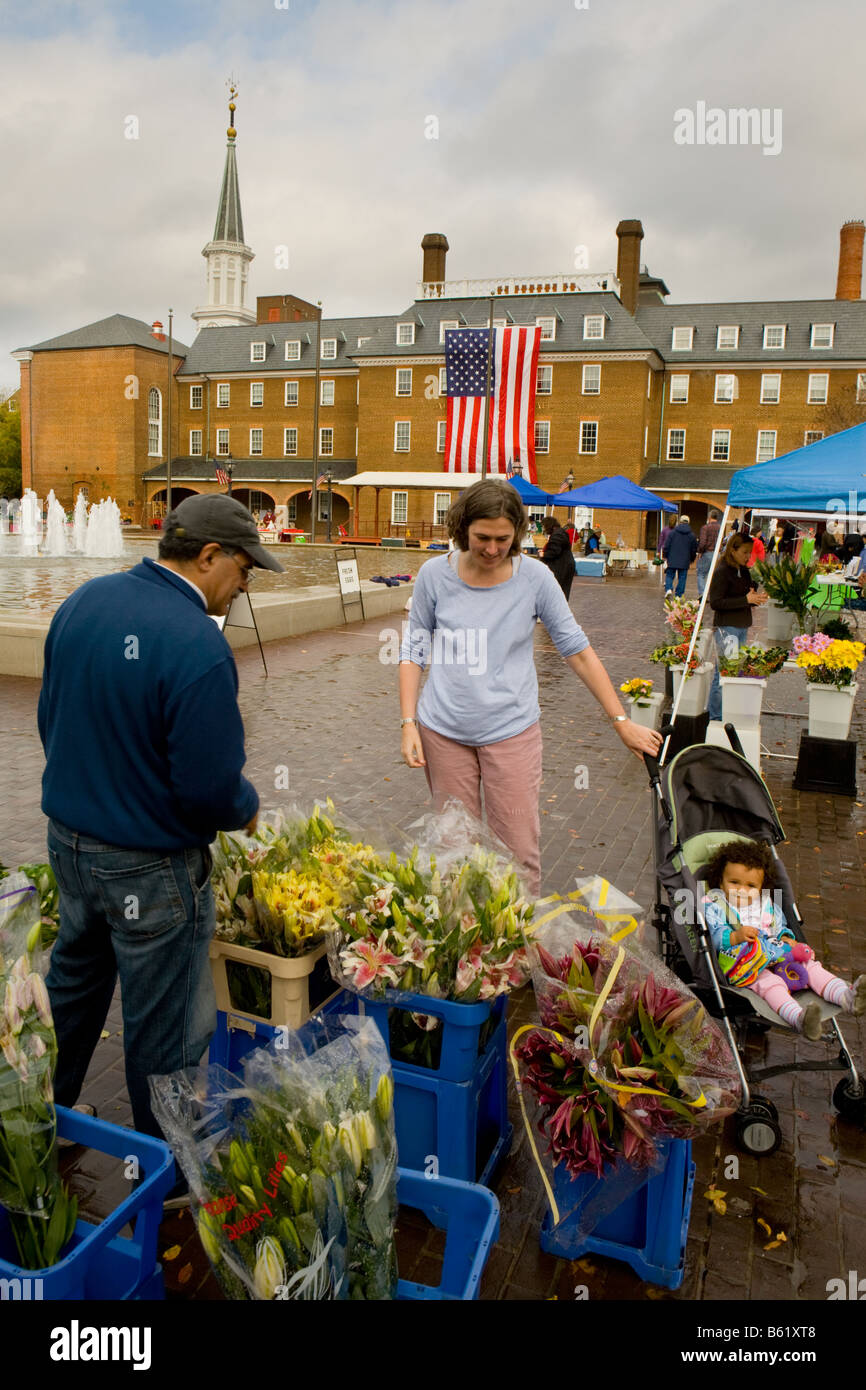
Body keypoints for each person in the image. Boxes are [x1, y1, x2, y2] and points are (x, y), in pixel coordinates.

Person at [38, 494, 282, 1154]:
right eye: (243, 569)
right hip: (149, 864)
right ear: (209, 557)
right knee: (166, 1024)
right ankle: (170, 1171)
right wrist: (247, 804)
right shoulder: (196, 641)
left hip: (70, 843)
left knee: (72, 988)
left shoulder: (85, 601)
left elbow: (52, 720)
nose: (245, 584)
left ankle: (34, 1126)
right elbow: (207, 790)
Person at [398, 480, 662, 895]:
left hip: (512, 732)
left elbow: (577, 649)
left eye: (503, 539)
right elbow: (414, 650)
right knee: (453, 850)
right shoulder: (434, 575)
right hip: (443, 730)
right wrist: (409, 722)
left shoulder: (535, 578)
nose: (491, 549)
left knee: (517, 853)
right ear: (462, 528)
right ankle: (462, 950)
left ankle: (515, 951)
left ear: (518, 533)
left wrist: (621, 721)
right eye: (482, 538)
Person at [702, 839, 866, 1039]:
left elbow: (779, 927)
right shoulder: (716, 904)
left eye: (751, 885)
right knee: (771, 985)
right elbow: (716, 935)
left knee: (811, 967)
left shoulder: (766, 904)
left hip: (778, 954)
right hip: (748, 963)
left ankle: (846, 997)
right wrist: (735, 936)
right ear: (720, 881)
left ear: (762, 887)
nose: (742, 890)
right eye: (734, 882)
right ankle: (800, 1018)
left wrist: (787, 938)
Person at [706, 531, 768, 720]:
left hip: (741, 625)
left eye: (750, 553)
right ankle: (715, 716)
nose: (748, 557)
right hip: (728, 628)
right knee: (724, 673)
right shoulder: (722, 571)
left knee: (733, 672)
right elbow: (715, 602)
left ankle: (727, 711)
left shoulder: (743, 569)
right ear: (733, 550)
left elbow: (744, 595)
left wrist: (755, 597)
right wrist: (745, 599)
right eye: (745, 552)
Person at [538, 516, 575, 601]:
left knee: (558, 590)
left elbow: (554, 551)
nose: (543, 529)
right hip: (565, 565)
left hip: (562, 566)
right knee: (562, 591)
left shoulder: (557, 534)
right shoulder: (560, 532)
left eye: (544, 526)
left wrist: (543, 554)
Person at [662, 513, 697, 597]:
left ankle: (669, 589)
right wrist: (692, 559)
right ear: (688, 522)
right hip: (685, 560)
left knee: (670, 574)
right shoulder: (692, 535)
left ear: (680, 522)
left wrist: (665, 555)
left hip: (672, 558)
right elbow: (694, 549)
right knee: (682, 577)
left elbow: (667, 545)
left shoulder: (672, 533)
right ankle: (679, 594)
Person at [695, 509, 721, 596]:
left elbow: (702, 543)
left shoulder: (705, 528)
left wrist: (699, 551)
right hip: (718, 554)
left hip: (708, 552)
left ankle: (703, 594)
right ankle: (712, 593)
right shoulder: (720, 527)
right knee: (714, 575)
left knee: (701, 574)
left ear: (709, 517)